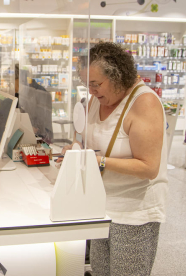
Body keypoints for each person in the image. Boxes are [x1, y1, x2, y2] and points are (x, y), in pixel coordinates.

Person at [72, 42, 169, 275]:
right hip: (100, 205)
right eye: (87, 85)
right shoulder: (98, 99)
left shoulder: (143, 103)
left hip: (133, 212)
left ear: (118, 76)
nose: (92, 91)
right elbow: (87, 138)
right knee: (100, 269)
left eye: (96, 84)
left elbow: (149, 167)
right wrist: (75, 148)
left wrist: (100, 161)